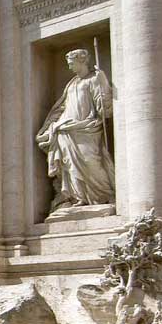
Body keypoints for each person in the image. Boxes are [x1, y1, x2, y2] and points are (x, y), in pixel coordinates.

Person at [36, 49, 114, 212]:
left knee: (90, 160)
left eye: (72, 63)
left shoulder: (95, 78)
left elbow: (104, 102)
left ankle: (104, 195)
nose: (70, 67)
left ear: (82, 61)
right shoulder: (71, 83)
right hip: (66, 128)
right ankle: (79, 197)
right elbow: (62, 107)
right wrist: (50, 126)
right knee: (69, 164)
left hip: (86, 127)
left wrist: (103, 102)